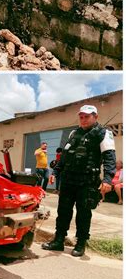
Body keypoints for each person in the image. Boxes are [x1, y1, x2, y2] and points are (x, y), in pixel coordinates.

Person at [42, 105, 116, 257]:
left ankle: (81, 243)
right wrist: (55, 172)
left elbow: (109, 158)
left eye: (87, 116)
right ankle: (59, 240)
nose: (83, 120)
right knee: (63, 211)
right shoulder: (74, 133)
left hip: (87, 181)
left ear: (96, 117)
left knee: (83, 213)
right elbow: (65, 156)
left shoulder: (103, 133)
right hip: (68, 179)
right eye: (81, 117)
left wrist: (108, 179)